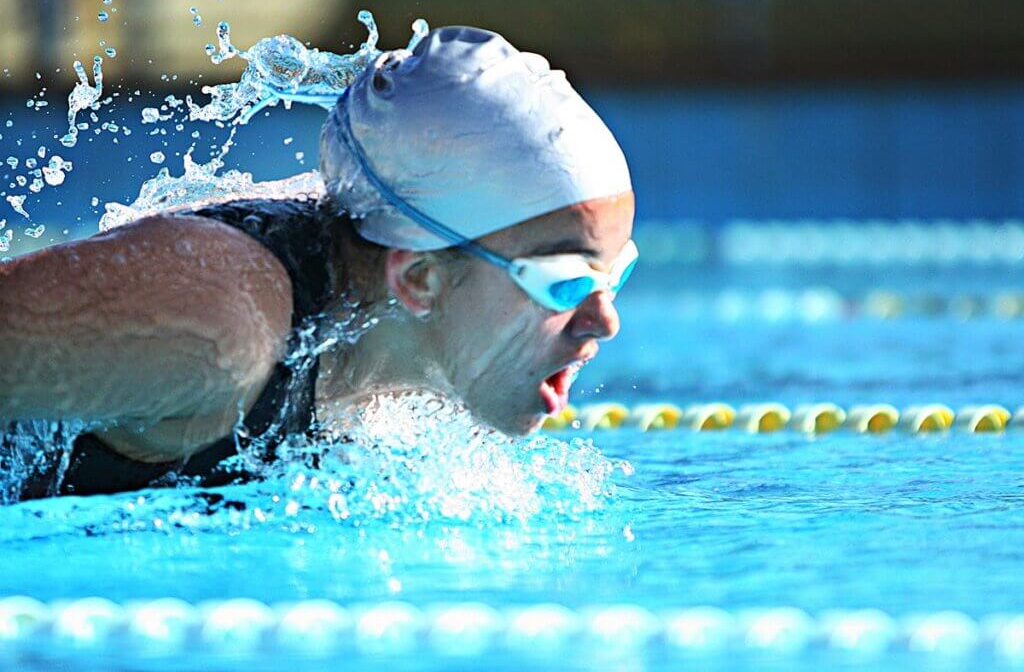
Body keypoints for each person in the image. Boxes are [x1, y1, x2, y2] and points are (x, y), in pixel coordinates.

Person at [0, 26, 637, 501]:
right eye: (566, 282)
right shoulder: (215, 324)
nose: (603, 320)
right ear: (418, 278)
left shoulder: (405, 344)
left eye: (618, 273)